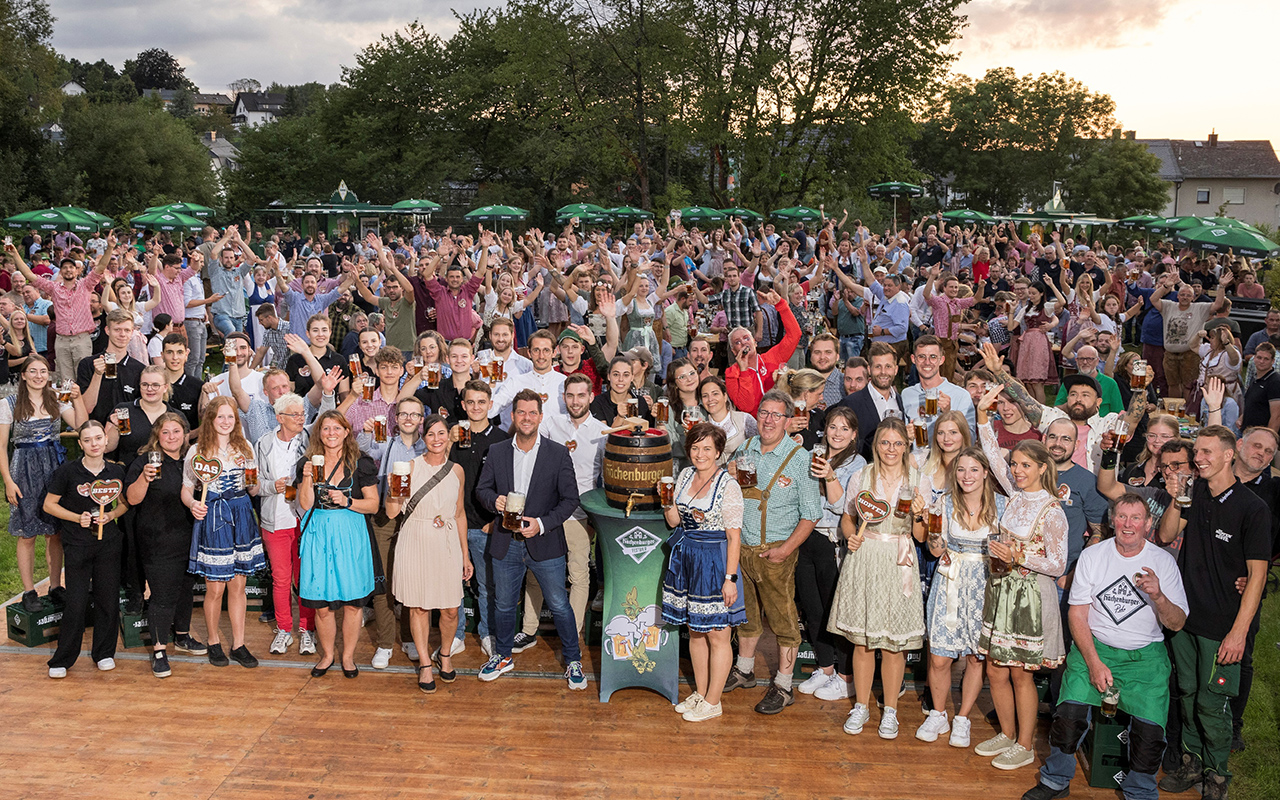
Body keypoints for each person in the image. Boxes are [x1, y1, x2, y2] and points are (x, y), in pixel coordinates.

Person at [1022, 494, 1189, 800]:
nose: (1128, 525)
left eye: (1136, 518)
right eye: (1122, 517)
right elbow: (1078, 613)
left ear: (1148, 524)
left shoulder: (1163, 562)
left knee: (1150, 734)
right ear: (1113, 521)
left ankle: (1140, 792)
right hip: (1095, 647)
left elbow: (1177, 623)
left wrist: (1159, 596)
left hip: (1145, 656)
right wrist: (1095, 662)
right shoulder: (1094, 556)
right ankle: (1055, 780)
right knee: (1068, 716)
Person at [1157, 427, 1270, 799]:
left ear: (1227, 455)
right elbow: (1165, 534)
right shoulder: (1197, 493)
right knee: (1187, 693)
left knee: (1212, 703)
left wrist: (1239, 633)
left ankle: (1217, 774)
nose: (1198, 459)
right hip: (1186, 620)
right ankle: (1191, 763)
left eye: (1206, 452)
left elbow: (1257, 577)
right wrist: (1177, 499)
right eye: (1197, 453)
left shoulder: (1252, 508)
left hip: (1222, 626)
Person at [475, 389, 586, 689]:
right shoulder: (497, 451)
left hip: (545, 543)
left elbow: (570, 499)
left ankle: (573, 659)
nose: (526, 417)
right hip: (506, 541)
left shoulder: (557, 453)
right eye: (521, 412)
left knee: (560, 605)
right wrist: (493, 501)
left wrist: (541, 524)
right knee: (504, 606)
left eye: (532, 412)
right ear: (512, 416)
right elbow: (481, 490)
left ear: (540, 416)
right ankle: (503, 656)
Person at [722, 390, 822, 715]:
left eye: (776, 415)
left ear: (788, 421)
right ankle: (745, 669)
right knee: (747, 616)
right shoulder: (747, 447)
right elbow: (729, 488)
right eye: (764, 413)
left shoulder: (800, 458)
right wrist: (729, 473)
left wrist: (785, 550)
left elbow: (811, 514)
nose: (767, 420)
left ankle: (783, 684)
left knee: (783, 621)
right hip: (743, 548)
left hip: (776, 552)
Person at [972, 440, 1068, 771]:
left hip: (1031, 596)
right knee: (995, 669)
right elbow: (993, 457)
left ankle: (1025, 745)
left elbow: (1058, 564)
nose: (1017, 471)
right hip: (1003, 589)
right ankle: (1008, 733)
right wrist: (983, 415)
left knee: (1019, 673)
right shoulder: (1015, 497)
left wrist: (1019, 555)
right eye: (1014, 465)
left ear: (1043, 467)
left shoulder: (1052, 510)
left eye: (1026, 465)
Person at [828, 417, 925, 737]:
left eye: (898, 443)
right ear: (876, 445)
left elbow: (922, 536)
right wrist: (851, 535)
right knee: (863, 642)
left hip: (899, 560)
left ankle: (891, 711)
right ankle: (862, 706)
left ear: (906, 446)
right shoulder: (862, 475)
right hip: (866, 557)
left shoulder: (917, 480)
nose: (891, 449)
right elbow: (847, 518)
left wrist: (922, 515)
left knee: (894, 645)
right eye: (885, 442)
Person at [916, 447, 1004, 747]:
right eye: (962, 470)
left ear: (985, 473)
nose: (967, 476)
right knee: (940, 657)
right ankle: (938, 714)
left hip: (984, 584)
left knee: (975, 658)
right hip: (950, 580)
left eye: (974, 470)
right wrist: (933, 532)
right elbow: (935, 550)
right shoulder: (944, 502)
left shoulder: (1001, 507)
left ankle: (963, 718)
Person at [661, 422, 745, 722]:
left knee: (718, 635)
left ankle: (713, 700)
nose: (700, 454)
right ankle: (700, 692)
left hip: (715, 561)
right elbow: (674, 522)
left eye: (707, 448)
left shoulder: (728, 485)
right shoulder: (683, 476)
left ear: (719, 452)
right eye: (695, 447)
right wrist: (666, 500)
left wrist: (730, 579)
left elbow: (734, 536)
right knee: (695, 631)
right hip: (687, 558)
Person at [386, 414, 472, 693]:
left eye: (441, 433)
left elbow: (459, 514)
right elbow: (391, 512)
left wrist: (465, 555)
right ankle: (425, 662)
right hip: (416, 539)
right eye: (431, 434)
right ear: (423, 438)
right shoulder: (409, 467)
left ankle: (444, 654)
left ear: (449, 436)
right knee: (419, 606)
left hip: (446, 542)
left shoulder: (457, 470)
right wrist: (393, 492)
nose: (437, 439)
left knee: (449, 609)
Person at [524, 374, 608, 649]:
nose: (575, 401)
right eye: (570, 395)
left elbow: (605, 480)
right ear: (564, 397)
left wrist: (594, 517)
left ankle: (571, 633)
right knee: (536, 573)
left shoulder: (601, 432)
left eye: (580, 395)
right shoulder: (550, 425)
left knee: (579, 575)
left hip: (579, 513)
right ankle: (528, 630)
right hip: (548, 512)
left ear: (590, 396)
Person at [296, 410, 382, 678]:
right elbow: (306, 504)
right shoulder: (306, 462)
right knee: (321, 605)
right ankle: (328, 655)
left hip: (350, 533)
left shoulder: (361, 463)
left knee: (353, 603)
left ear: (347, 432)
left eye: (337, 428)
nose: (331, 433)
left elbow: (374, 504)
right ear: (318, 434)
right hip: (319, 533)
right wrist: (308, 476)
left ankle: (347, 657)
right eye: (325, 429)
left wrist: (348, 502)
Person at [182, 396, 264, 669]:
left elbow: (253, 489)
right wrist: (193, 503)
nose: (226, 422)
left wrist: (255, 482)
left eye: (231, 417)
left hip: (240, 511)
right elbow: (186, 488)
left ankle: (239, 644)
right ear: (210, 420)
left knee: (238, 586)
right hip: (214, 515)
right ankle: (214, 640)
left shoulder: (246, 447)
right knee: (215, 588)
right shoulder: (197, 451)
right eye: (220, 417)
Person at [43, 420, 128, 678]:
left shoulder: (117, 472)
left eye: (98, 438)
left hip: (109, 544)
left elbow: (125, 503)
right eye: (87, 440)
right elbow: (49, 505)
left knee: (107, 599)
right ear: (80, 444)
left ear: (106, 440)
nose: (94, 444)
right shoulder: (67, 472)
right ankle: (63, 658)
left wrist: (111, 514)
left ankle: (104, 653)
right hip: (77, 544)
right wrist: (74, 517)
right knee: (76, 603)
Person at [0, 355, 84, 611]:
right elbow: (2, 446)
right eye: (33, 371)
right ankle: (28, 592)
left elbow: (82, 425)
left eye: (44, 371)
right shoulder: (9, 403)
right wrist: (8, 481)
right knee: (27, 533)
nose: (39, 376)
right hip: (23, 468)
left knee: (55, 531)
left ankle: (56, 586)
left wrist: (78, 398)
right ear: (23, 375)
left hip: (53, 467)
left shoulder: (58, 399)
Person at [124, 412, 203, 678]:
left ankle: (182, 635)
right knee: (162, 596)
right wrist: (144, 479)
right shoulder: (145, 462)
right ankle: (159, 650)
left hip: (189, 538)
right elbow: (132, 500)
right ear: (157, 435)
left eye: (176, 432)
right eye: (166, 432)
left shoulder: (191, 461)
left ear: (185, 435)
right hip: (157, 540)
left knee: (185, 590)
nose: (171, 437)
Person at [795, 406, 865, 702]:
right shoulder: (814, 452)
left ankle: (845, 676)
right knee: (813, 610)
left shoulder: (858, 463)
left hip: (834, 542)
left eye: (844, 429)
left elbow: (841, 507)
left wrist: (830, 476)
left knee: (836, 613)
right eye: (833, 427)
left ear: (853, 435)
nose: (837, 433)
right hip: (807, 536)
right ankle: (824, 668)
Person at [359, 395, 426, 666]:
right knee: (382, 584)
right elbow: (362, 448)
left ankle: (409, 639)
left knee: (412, 584)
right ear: (395, 419)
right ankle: (385, 644)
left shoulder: (428, 447)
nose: (408, 418)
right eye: (403, 414)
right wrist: (364, 433)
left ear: (421, 420)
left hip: (416, 521)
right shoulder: (384, 443)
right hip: (385, 519)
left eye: (414, 414)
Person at [254, 392, 317, 658]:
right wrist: (272, 486)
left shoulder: (310, 440)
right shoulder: (263, 443)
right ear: (279, 418)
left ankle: (307, 630)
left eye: (302, 413)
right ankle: (284, 629)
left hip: (304, 519)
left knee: (305, 579)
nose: (301, 418)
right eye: (295, 414)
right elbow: (253, 484)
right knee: (281, 579)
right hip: (275, 521)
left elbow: (328, 412)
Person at [722, 285, 800, 415]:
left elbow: (794, 334)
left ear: (755, 342)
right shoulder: (731, 374)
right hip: (753, 425)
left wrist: (781, 305)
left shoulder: (772, 357)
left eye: (746, 338)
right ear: (734, 351)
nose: (743, 343)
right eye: (737, 342)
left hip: (780, 417)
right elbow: (746, 406)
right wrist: (744, 370)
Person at [836, 342, 906, 460]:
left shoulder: (901, 401)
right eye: (878, 367)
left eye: (888, 366)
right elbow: (842, 444)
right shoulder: (851, 403)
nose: (883, 372)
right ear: (869, 369)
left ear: (896, 370)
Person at [698, 376, 757, 464]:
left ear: (725, 396)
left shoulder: (744, 419)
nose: (710, 399)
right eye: (705, 396)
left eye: (715, 394)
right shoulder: (703, 426)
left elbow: (760, 448)